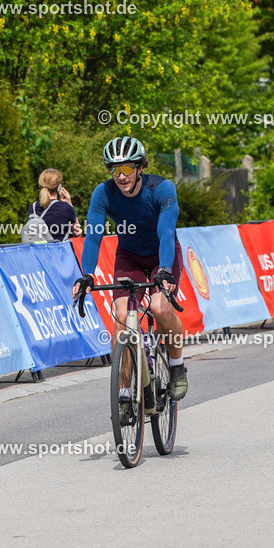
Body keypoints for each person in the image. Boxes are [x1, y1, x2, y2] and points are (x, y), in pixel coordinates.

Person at [72, 136, 188, 411]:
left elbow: (166, 232)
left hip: (162, 254)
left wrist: (164, 270)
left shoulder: (162, 189)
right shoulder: (103, 193)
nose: (120, 176)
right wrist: (87, 274)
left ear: (140, 167)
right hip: (129, 256)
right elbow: (94, 236)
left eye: (126, 169)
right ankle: (124, 393)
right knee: (122, 319)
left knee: (160, 308)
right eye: (114, 170)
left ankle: (177, 365)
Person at [24, 169, 82, 242]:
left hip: (38, 249)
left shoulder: (33, 207)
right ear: (59, 187)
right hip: (60, 249)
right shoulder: (66, 208)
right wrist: (70, 204)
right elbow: (77, 232)